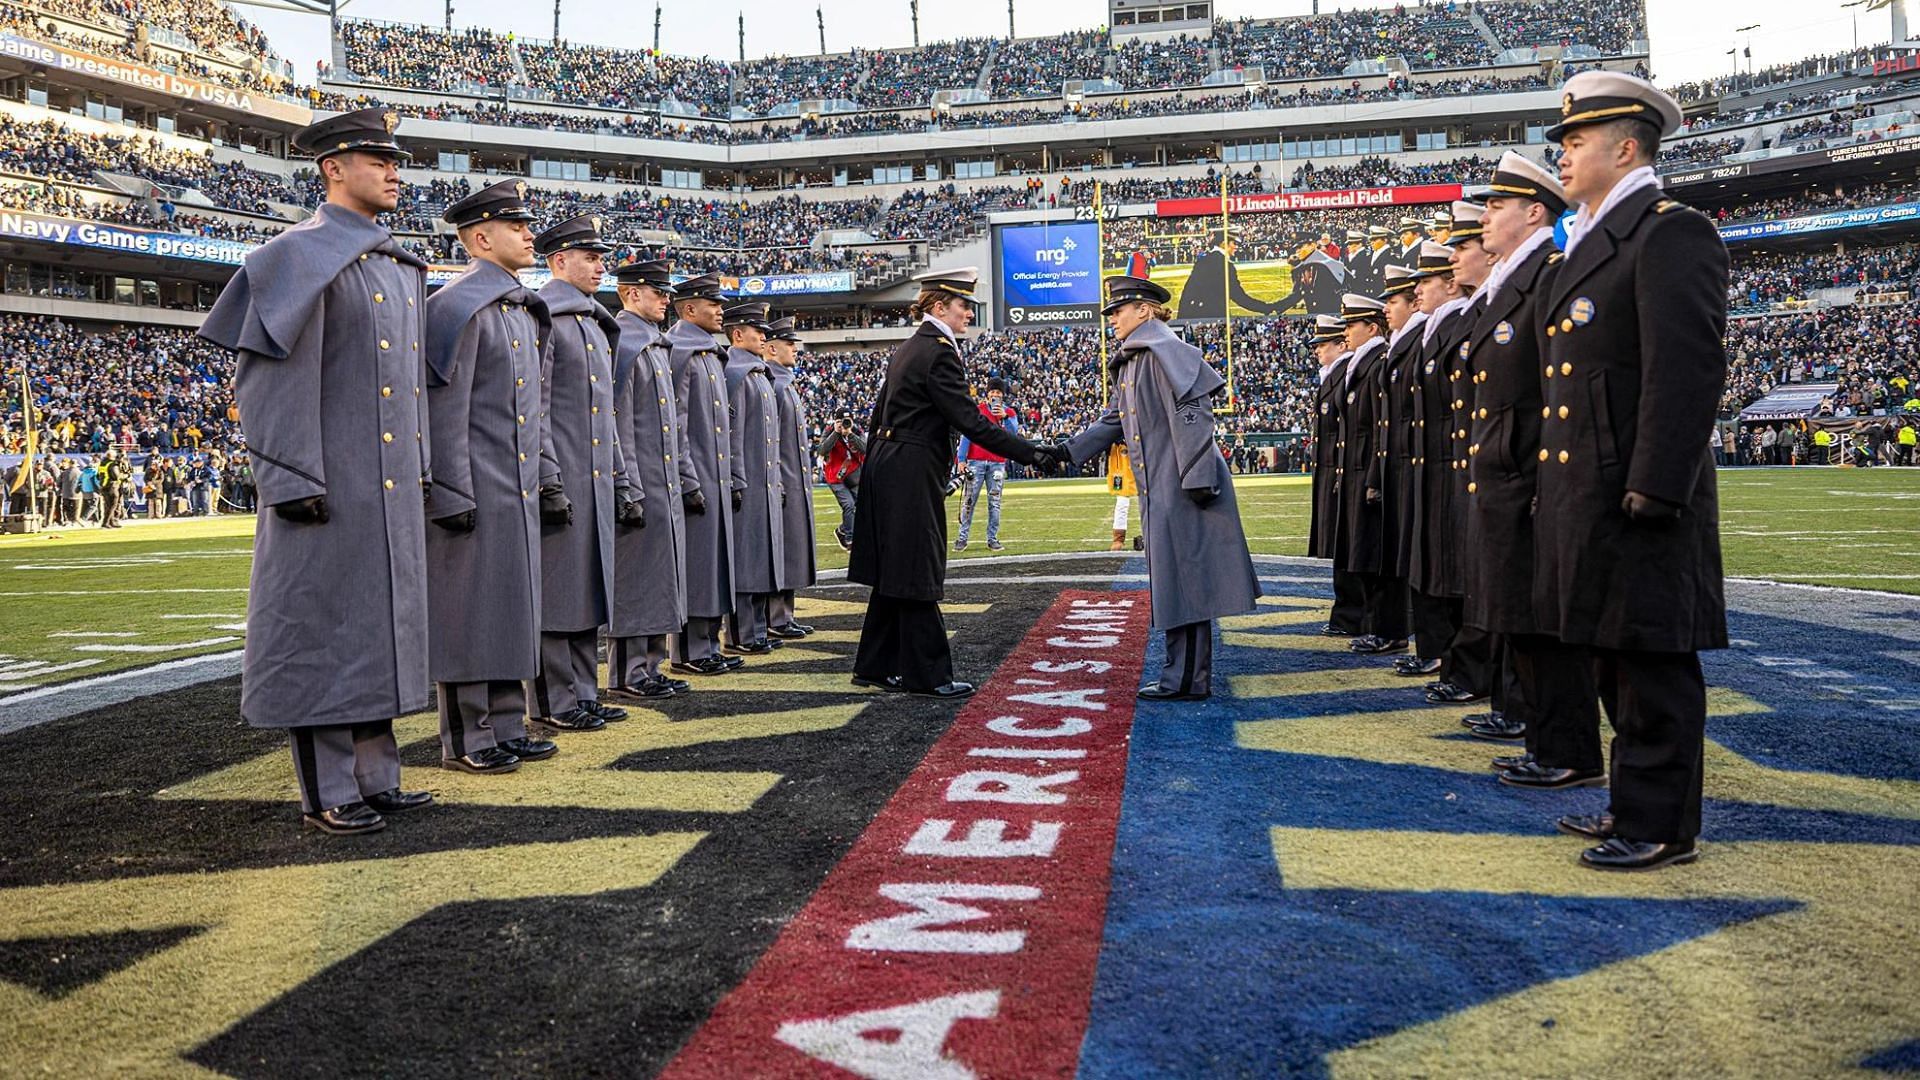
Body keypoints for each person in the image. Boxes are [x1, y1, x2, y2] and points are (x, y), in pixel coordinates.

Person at [195, 107, 433, 835]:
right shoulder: (295, 256)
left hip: (383, 488)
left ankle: (375, 776)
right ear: (333, 168)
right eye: (377, 159)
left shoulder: (391, 263)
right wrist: (292, 477)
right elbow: (269, 379)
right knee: (323, 634)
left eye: (398, 161)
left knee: (376, 633)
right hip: (328, 484)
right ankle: (329, 787)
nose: (396, 172)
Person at [1536, 71, 1729, 871]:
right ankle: (1630, 803)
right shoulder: (1600, 236)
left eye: (1577, 142)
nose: (1566, 154)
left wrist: (1652, 485)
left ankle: (1660, 824)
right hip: (1594, 488)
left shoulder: (1666, 231)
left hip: (1637, 492)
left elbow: (1685, 371)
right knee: (1615, 653)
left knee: (1651, 660)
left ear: (1626, 146)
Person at [848, 267, 1062, 698]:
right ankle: (928, 675)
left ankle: (874, 664)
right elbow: (970, 421)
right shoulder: (938, 350)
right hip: (910, 467)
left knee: (897, 569)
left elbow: (879, 416)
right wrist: (1032, 452)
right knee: (916, 568)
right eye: (964, 304)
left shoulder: (911, 347)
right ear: (940, 306)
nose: (970, 311)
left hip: (891, 462)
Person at [1462, 151, 1606, 792]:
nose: (1485, 218)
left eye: (1496, 206)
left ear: (1534, 213)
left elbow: (1557, 391)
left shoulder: (1548, 277)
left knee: (1543, 624)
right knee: (1517, 617)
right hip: (1503, 475)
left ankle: (1567, 748)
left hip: (1529, 476)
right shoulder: (1513, 284)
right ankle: (1547, 742)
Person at [1062, 275, 1261, 699]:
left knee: (1186, 581)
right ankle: (1182, 674)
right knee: (1176, 580)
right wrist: (1065, 452)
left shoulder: (1164, 350)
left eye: (1118, 310)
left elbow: (1195, 414)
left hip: (1183, 484)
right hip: (1164, 486)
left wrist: (1196, 478)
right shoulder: (1138, 356)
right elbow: (1114, 420)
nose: (1112, 318)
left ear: (1144, 311)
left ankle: (1186, 679)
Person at [424, 179, 565, 775]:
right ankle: (468, 734)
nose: (530, 234)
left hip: (519, 488)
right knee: (468, 614)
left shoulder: (522, 310)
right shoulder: (455, 307)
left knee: (513, 608)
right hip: (475, 488)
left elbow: (541, 412)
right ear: (480, 238)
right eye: (515, 226)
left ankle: (508, 723)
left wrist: (548, 479)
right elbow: (442, 410)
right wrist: (451, 490)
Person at [529, 214, 625, 732]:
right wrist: (548, 477)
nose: (599, 266)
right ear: (558, 260)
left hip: (594, 480)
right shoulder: (546, 316)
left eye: (600, 257)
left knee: (589, 590)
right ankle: (553, 701)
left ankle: (583, 692)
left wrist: (618, 475)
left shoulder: (591, 323)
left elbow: (603, 414)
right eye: (589, 257)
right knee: (558, 595)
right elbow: (536, 407)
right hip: (563, 479)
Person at [606, 258, 693, 699]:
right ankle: (627, 673)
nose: (666, 300)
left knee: (660, 578)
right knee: (637, 580)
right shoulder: (625, 343)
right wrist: (627, 485)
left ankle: (651, 665)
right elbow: (616, 421)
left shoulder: (654, 345)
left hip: (663, 484)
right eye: (658, 292)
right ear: (631, 294)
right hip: (641, 483)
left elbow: (671, 427)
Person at [665, 273, 738, 677]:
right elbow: (674, 422)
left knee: (714, 567)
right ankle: (689, 650)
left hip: (716, 475)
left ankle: (708, 643)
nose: (721, 310)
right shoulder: (681, 350)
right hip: (696, 476)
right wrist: (689, 479)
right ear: (690, 309)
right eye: (714, 304)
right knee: (697, 569)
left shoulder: (709, 352)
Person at [1336, 289, 1406, 656]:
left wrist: (1375, 476)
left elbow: (1381, 426)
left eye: (1353, 324)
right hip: (1357, 467)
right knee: (1361, 552)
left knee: (1375, 554)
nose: (1347, 331)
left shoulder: (1378, 361)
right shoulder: (1361, 362)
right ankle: (1374, 624)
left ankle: (1386, 627)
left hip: (1368, 467)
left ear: (1372, 326)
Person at [720, 300, 786, 654]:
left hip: (763, 484)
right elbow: (732, 434)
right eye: (757, 330)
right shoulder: (737, 373)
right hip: (746, 484)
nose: (764, 336)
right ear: (737, 334)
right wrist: (736, 479)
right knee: (746, 562)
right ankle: (741, 633)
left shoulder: (759, 374)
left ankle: (756, 629)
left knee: (762, 559)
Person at [1306, 314, 1361, 636]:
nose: (1317, 351)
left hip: (1339, 468)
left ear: (1341, 344)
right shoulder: (1334, 375)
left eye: (1323, 345)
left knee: (1346, 544)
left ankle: (1351, 614)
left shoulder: (1345, 375)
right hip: (1331, 468)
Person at [764, 316, 818, 639]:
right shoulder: (776, 384)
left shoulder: (785, 382)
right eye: (788, 343)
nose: (794, 348)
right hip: (782, 479)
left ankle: (785, 613)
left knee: (793, 550)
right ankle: (776, 616)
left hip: (792, 480)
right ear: (771, 348)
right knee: (781, 551)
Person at [955, 377, 1018, 552]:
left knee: (994, 503)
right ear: (988, 393)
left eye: (998, 392)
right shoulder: (977, 411)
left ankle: (992, 538)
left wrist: (1004, 417)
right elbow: (967, 434)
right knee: (969, 501)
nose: (995, 394)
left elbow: (1014, 435)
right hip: (976, 460)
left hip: (997, 462)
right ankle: (962, 537)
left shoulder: (1009, 413)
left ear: (1003, 395)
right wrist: (961, 459)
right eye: (993, 391)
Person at [1176, 226, 1278, 320]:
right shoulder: (1225, 265)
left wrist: (1180, 318)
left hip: (1192, 314)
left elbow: (1188, 291)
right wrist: (1266, 308)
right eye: (1234, 243)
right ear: (1224, 243)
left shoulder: (1203, 260)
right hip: (1212, 317)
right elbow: (1239, 297)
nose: (1236, 247)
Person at [816, 414, 865, 550]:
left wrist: (850, 435)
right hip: (835, 477)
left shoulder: (856, 430)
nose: (843, 423)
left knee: (863, 507)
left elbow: (865, 449)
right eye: (839, 421)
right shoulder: (829, 431)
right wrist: (836, 433)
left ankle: (842, 529)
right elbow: (821, 450)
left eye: (846, 421)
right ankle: (850, 538)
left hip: (854, 475)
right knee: (848, 505)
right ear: (835, 421)